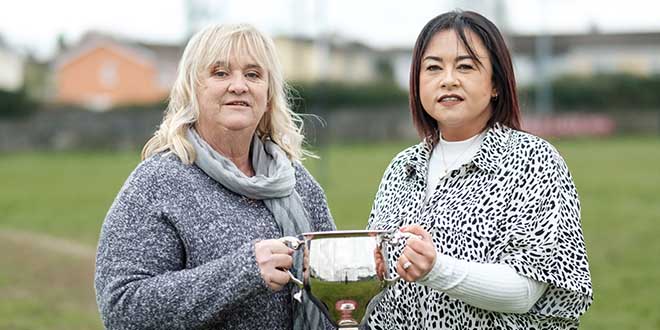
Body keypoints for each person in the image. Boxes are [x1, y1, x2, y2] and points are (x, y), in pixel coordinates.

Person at [94, 23, 335, 330]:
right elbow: (122, 308)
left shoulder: (297, 183)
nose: (239, 86)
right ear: (192, 88)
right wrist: (243, 271)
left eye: (253, 74)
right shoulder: (157, 183)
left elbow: (334, 295)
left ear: (269, 95)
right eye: (220, 73)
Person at [367, 10, 593, 330]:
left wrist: (436, 269)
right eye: (433, 67)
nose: (448, 79)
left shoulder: (533, 161)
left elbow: (527, 292)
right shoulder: (402, 167)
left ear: (496, 85)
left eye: (465, 66)